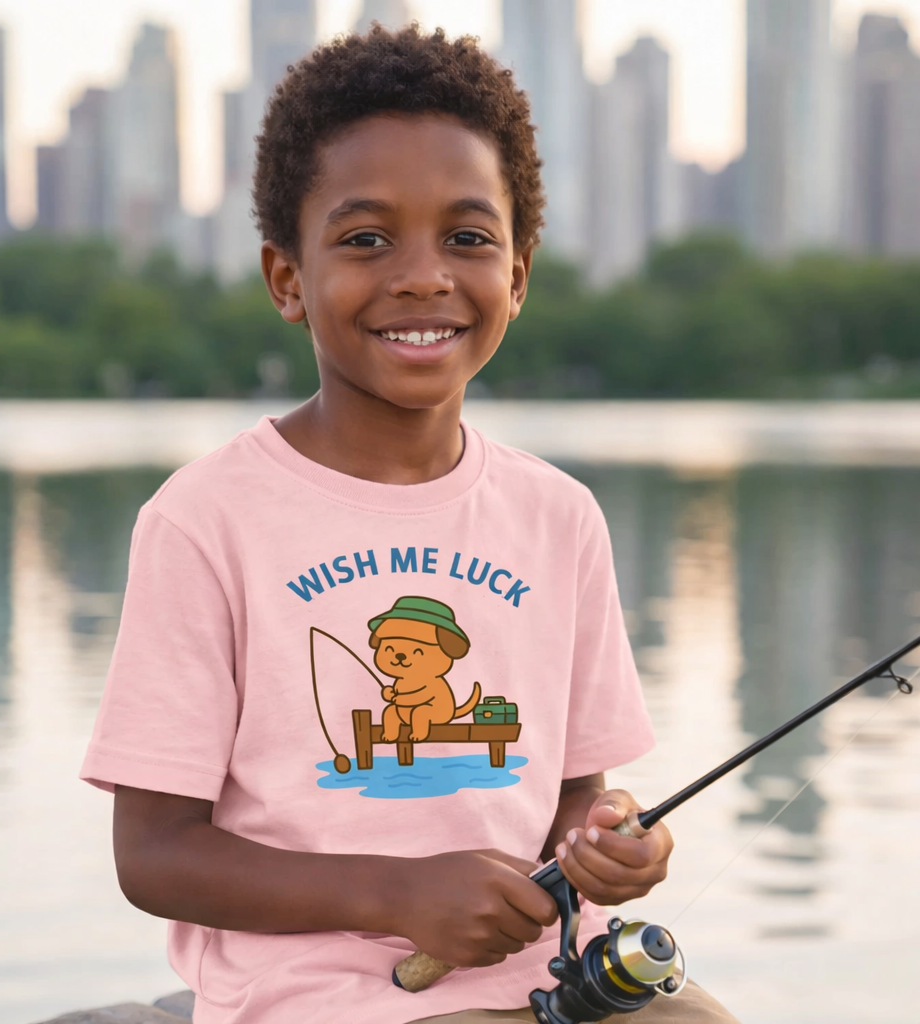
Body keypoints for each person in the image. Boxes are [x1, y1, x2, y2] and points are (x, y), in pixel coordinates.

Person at [81, 24, 739, 1024]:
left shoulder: (559, 515)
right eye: (364, 238)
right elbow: (154, 853)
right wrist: (395, 892)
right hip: (319, 997)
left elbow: (576, 794)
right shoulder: (203, 519)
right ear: (287, 278)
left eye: (468, 238)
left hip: (553, 976)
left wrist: (608, 846)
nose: (423, 275)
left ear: (517, 273)